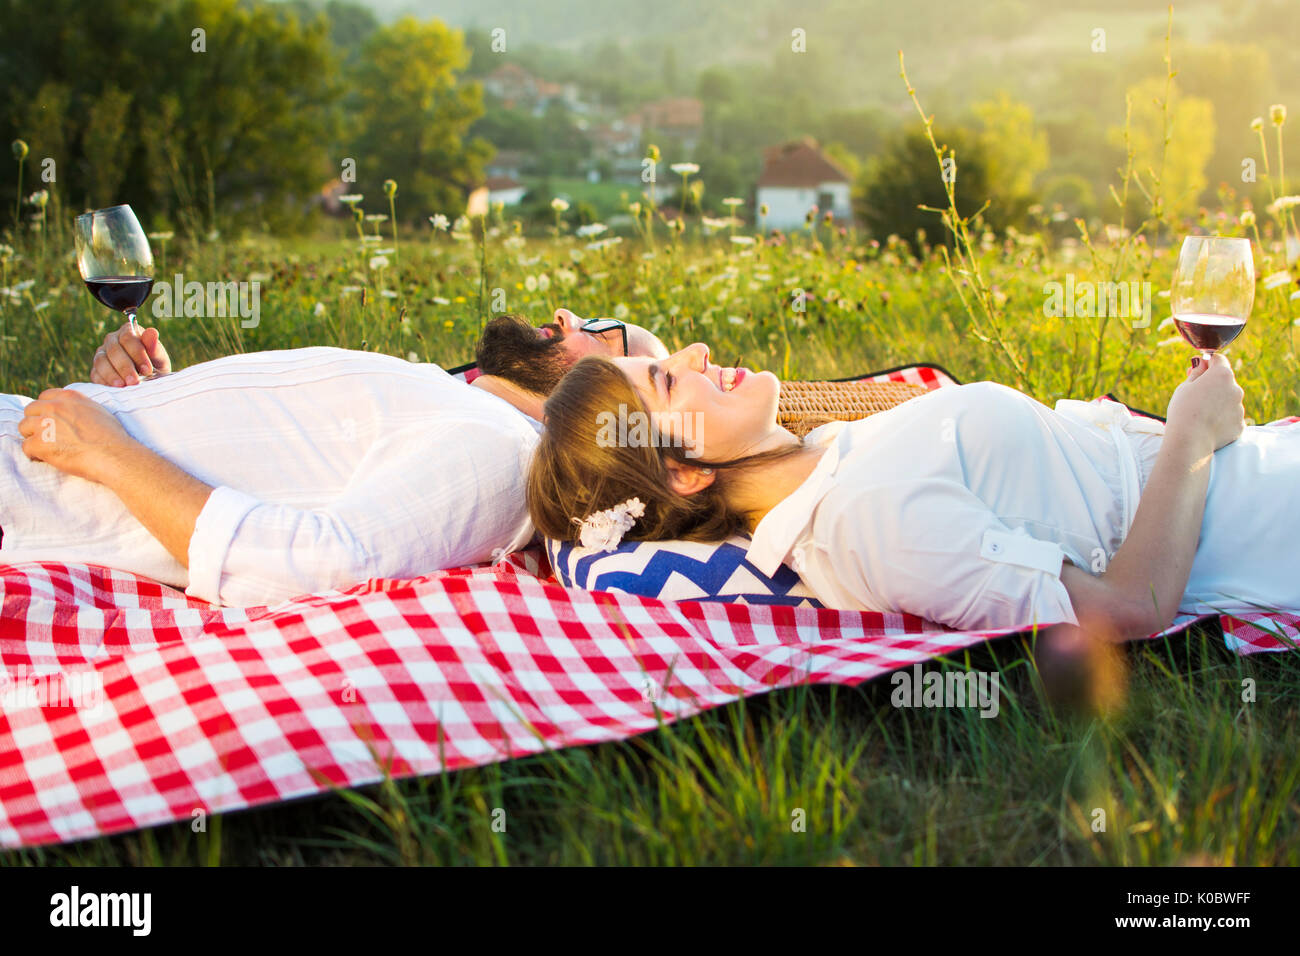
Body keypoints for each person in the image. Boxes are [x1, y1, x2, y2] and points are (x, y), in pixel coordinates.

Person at [525, 343, 1295, 642]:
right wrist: (1191, 436)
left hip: (1261, 460)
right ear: (685, 472)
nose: (692, 352)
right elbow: (1132, 609)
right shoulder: (869, 524)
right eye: (667, 379)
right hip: (1267, 525)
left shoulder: (828, 452)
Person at [2, 312, 667, 607]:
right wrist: (149, 401)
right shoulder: (459, 404)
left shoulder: (504, 453)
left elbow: (321, 560)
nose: (566, 315)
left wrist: (113, 453)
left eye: (607, 333)